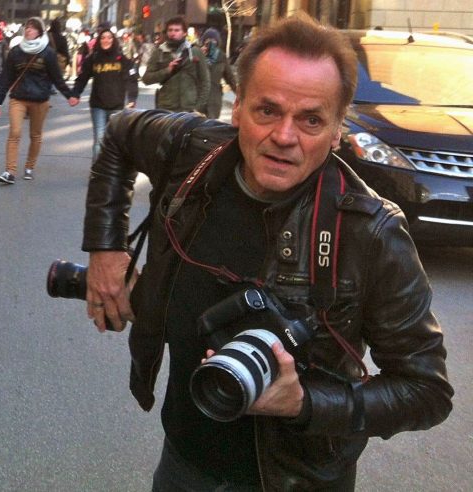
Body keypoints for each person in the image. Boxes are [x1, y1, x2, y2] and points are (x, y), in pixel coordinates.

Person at [81, 14, 453, 490]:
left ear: (338, 130)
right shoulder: (191, 149)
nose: (284, 136)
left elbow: (427, 391)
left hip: (297, 479)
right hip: (183, 461)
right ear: (237, 109)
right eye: (267, 111)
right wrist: (106, 251)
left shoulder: (371, 231)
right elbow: (118, 135)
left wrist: (306, 403)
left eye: (311, 120)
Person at [0, 17, 78, 184]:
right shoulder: (16, 52)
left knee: (35, 135)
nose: (28, 30)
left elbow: (57, 78)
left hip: (40, 100)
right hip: (18, 98)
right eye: (27, 27)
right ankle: (10, 171)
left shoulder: (47, 53)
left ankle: (30, 166)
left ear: (39, 31)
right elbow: (6, 78)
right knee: (15, 133)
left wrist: (70, 95)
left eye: (32, 28)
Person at [71, 26, 138, 162]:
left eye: (109, 38)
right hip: (98, 105)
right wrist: (75, 94)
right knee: (99, 140)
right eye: (103, 38)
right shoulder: (93, 59)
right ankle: (97, 173)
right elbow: (82, 78)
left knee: (113, 140)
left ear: (114, 40)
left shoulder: (122, 59)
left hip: (117, 106)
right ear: (99, 40)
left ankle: (110, 171)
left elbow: (132, 80)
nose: (106, 40)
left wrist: (132, 98)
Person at [142, 16, 209, 113]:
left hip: (189, 109)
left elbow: (205, 81)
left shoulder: (195, 51)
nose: (173, 33)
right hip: (166, 108)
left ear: (184, 33)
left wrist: (198, 108)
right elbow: (146, 79)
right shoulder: (159, 52)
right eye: (170, 30)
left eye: (177, 30)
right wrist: (167, 70)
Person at [199, 27, 237, 120]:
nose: (211, 42)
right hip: (198, 99)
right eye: (208, 40)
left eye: (213, 40)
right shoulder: (197, 54)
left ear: (217, 41)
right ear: (204, 41)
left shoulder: (221, 56)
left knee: (210, 129)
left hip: (214, 101)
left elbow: (230, 78)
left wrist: (239, 93)